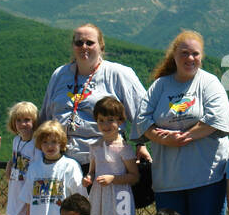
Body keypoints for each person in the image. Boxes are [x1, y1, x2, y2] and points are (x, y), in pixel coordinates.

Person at [129, 31, 229, 215]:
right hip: (168, 180)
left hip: (207, 178)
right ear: (174, 55)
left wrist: (184, 137)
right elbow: (142, 119)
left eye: (195, 54)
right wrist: (160, 137)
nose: (190, 58)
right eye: (184, 53)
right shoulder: (160, 85)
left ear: (201, 56)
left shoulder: (209, 83)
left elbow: (215, 119)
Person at [38, 23, 149, 168]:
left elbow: (142, 112)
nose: (84, 46)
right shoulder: (59, 75)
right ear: (73, 46)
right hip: (60, 160)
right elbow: (45, 117)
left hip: (106, 160)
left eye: (90, 43)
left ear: (101, 46)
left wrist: (141, 144)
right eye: (79, 43)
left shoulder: (119, 74)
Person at [23, 121, 86, 215]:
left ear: (62, 143)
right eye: (45, 142)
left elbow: (79, 199)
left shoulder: (70, 166)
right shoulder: (34, 168)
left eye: (54, 142)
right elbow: (28, 199)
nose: (49, 146)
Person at [84, 96, 139, 215]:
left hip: (121, 195)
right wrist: (88, 177)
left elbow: (134, 176)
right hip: (99, 195)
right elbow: (92, 171)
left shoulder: (123, 148)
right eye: (101, 120)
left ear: (120, 121)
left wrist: (113, 179)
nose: (105, 125)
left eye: (110, 120)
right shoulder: (95, 147)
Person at [3, 101, 39, 215]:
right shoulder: (16, 140)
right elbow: (14, 159)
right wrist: (9, 166)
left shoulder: (36, 144)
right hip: (14, 194)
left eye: (27, 120)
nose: (23, 124)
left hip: (26, 197)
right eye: (18, 120)